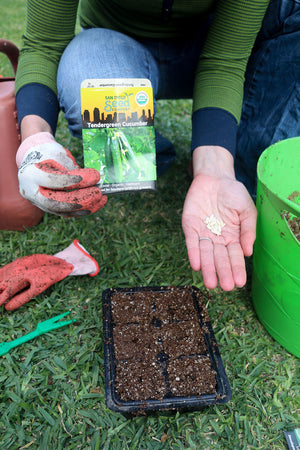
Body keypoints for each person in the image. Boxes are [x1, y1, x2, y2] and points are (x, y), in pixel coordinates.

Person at [15, 0, 300, 291]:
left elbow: (223, 62)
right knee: (85, 81)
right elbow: (43, 45)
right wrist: (35, 142)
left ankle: (237, 162)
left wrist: (215, 169)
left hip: (208, 40)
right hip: (114, 46)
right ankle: (153, 154)